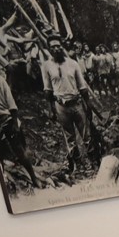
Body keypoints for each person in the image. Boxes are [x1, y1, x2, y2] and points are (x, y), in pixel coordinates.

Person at [0, 52, 39, 191]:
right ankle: (2, 183)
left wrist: (15, 122)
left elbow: (11, 103)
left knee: (19, 150)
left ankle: (34, 177)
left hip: (6, 119)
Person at [37, 35, 94, 173]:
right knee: (69, 138)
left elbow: (82, 86)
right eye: (53, 47)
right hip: (61, 105)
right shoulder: (47, 66)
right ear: (49, 49)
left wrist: (88, 105)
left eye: (58, 46)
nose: (56, 49)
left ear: (62, 47)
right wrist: (51, 109)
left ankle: (92, 161)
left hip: (76, 103)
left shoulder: (73, 63)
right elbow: (48, 89)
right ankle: (77, 164)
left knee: (86, 135)